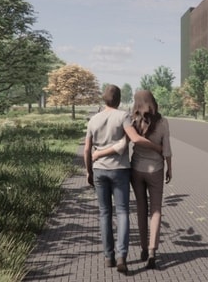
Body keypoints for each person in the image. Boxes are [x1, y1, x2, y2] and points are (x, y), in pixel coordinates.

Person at [84, 84, 161, 274]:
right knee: (122, 212)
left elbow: (87, 149)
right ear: (119, 100)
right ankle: (121, 256)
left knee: (104, 213)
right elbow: (134, 139)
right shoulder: (123, 116)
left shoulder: (93, 120)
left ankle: (108, 257)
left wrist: (89, 172)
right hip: (119, 170)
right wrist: (157, 148)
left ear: (104, 99)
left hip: (99, 170)